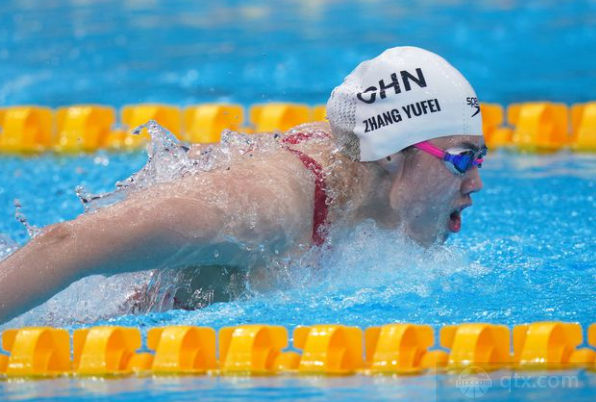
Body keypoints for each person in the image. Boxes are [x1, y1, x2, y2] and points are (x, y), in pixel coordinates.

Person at [0, 46, 486, 324]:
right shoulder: (263, 211)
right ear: (390, 155)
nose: (477, 182)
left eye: (480, 158)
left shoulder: (357, 181)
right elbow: (68, 243)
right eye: (462, 158)